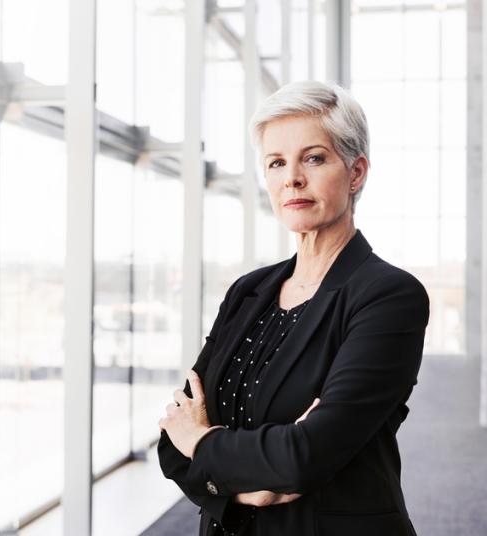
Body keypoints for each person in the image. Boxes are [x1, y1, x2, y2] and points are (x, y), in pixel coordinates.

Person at [157, 80, 429, 536]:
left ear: (356, 172)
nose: (292, 179)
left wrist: (202, 443)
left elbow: (304, 456)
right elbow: (170, 443)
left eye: (314, 158)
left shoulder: (389, 297)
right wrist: (258, 479)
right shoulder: (248, 291)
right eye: (276, 163)